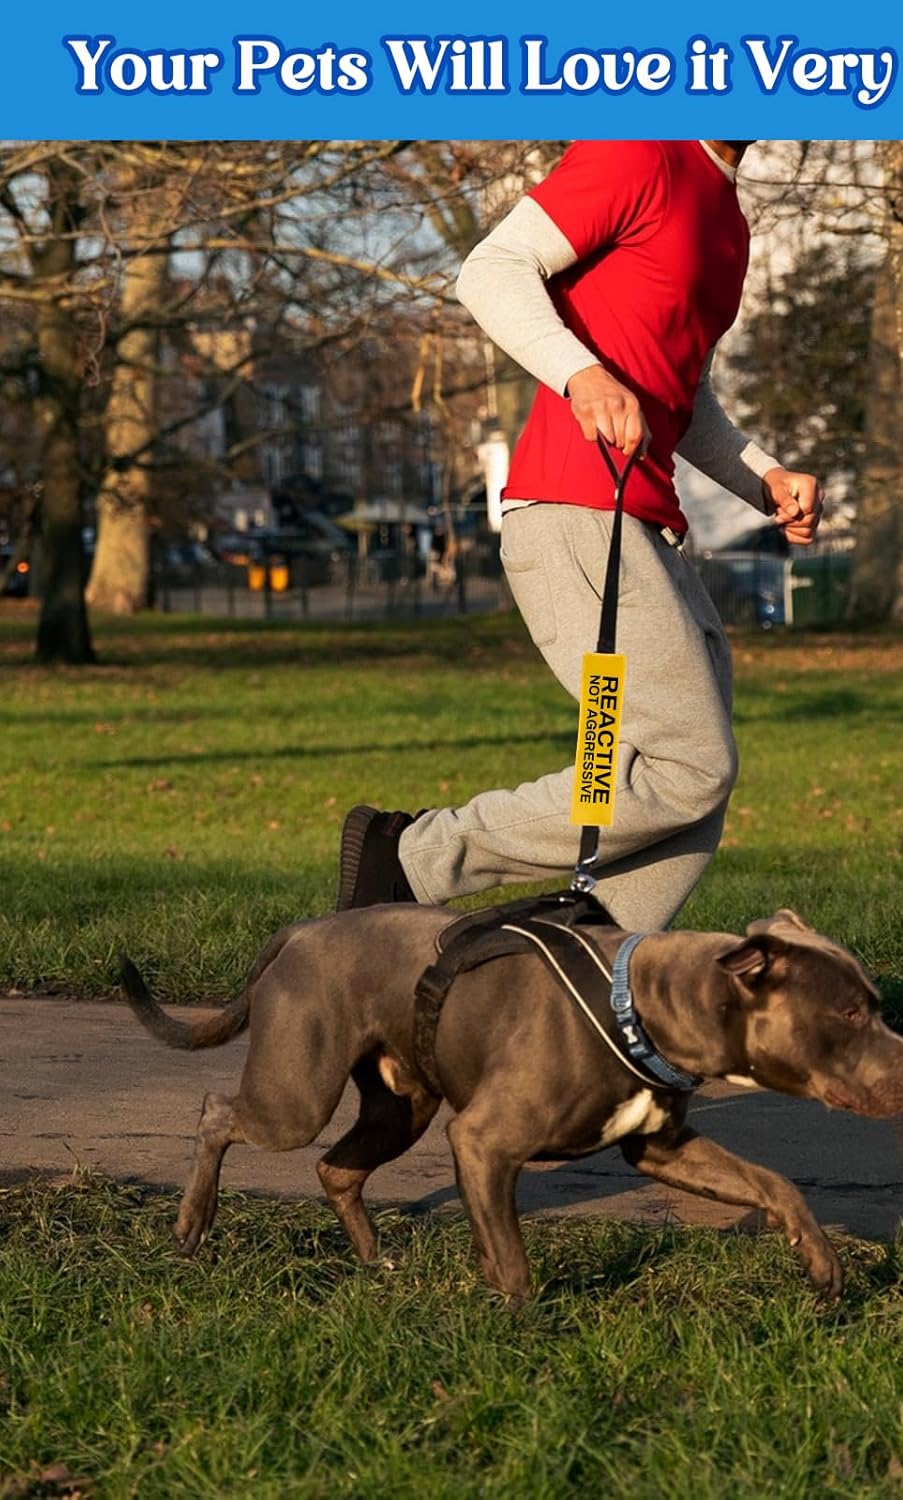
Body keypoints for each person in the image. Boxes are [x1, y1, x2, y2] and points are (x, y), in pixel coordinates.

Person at [337, 140, 824, 932]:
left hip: (644, 525)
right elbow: (489, 269)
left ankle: (585, 957)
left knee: (684, 780)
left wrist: (763, 477)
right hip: (575, 514)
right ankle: (415, 856)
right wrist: (580, 374)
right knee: (688, 765)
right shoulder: (640, 152)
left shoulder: (727, 219)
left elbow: (679, 387)